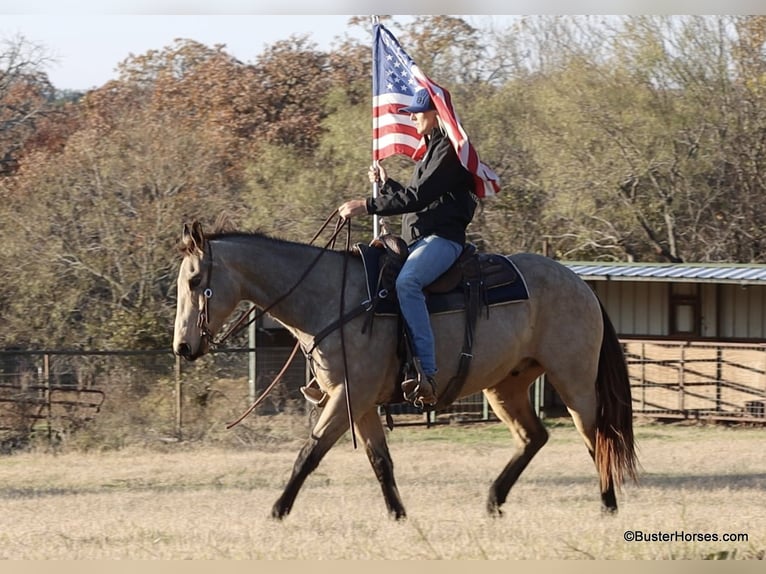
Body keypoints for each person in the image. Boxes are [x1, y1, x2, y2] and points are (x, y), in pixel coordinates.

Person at [337, 88, 477, 407]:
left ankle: (427, 372)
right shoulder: (432, 151)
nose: (412, 117)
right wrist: (387, 186)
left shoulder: (448, 151)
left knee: (407, 283)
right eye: (411, 112)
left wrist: (368, 205)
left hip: (443, 240)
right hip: (419, 241)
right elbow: (418, 198)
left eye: (418, 112)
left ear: (437, 114)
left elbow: (418, 199)